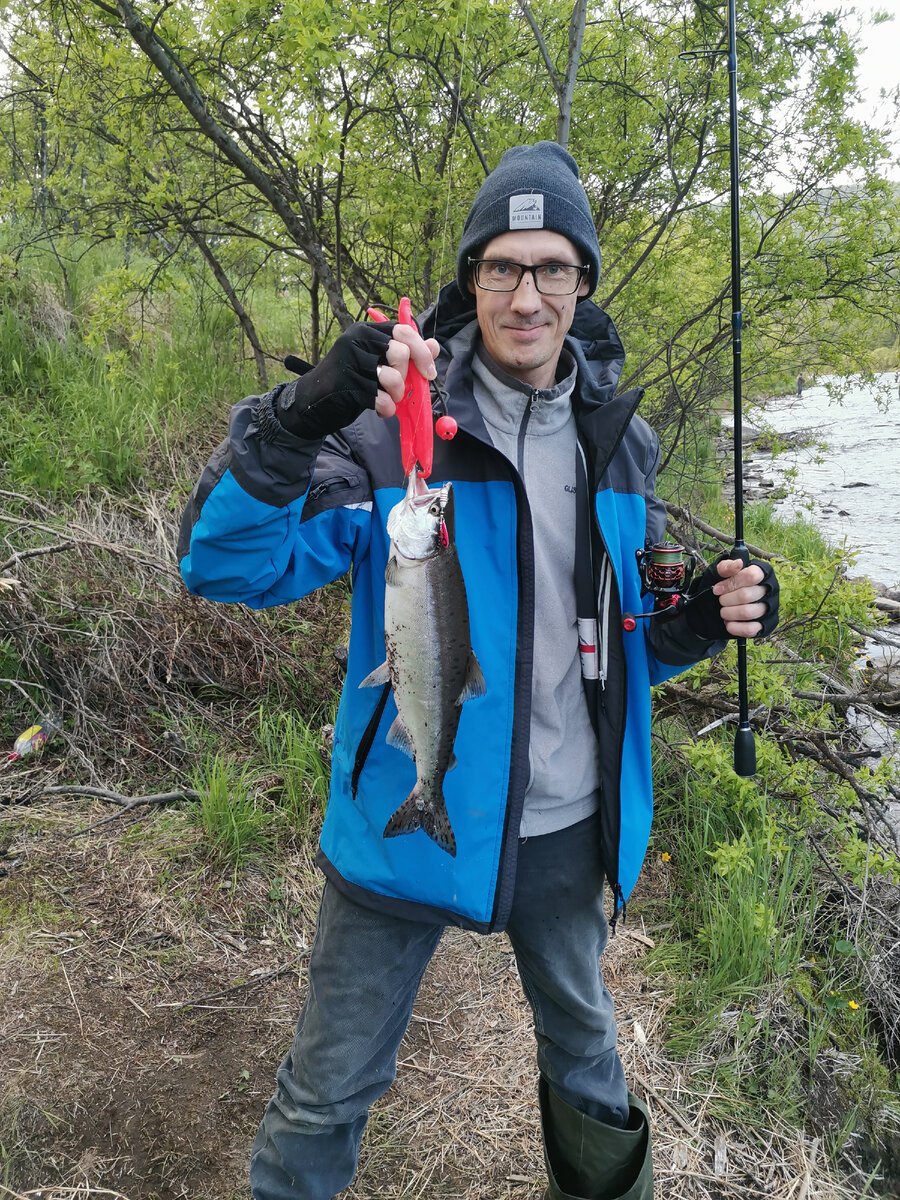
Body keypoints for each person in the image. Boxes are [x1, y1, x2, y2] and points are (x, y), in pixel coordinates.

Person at [179, 142, 779, 1200]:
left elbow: (617, 641)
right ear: (471, 282)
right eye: (502, 267)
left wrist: (706, 618)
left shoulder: (618, 440)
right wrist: (295, 416)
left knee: (590, 1066)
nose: (528, 294)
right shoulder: (389, 440)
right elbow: (225, 567)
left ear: (582, 284)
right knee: (327, 1091)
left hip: (566, 824)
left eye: (553, 268)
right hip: (400, 831)